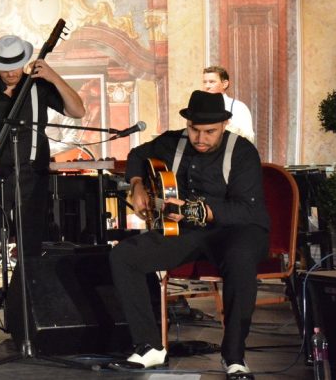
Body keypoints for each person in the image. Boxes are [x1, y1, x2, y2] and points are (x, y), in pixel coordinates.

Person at [109, 90, 268, 380]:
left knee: (240, 259)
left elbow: (246, 209)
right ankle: (149, 347)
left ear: (224, 125)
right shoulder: (172, 142)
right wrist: (137, 184)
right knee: (124, 255)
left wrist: (200, 210)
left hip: (236, 231)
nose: (200, 138)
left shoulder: (243, 151)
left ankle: (234, 356)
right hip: (188, 232)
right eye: (194, 130)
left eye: (210, 132)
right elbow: (137, 155)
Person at [0, 34, 85, 339]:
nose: (11, 72)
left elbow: (78, 111)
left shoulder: (39, 87)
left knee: (29, 247)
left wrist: (53, 76)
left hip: (32, 176)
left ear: (24, 62)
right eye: (5, 66)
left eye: (15, 65)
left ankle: (25, 313)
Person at [202, 66, 255, 142]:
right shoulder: (199, 107)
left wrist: (229, 125)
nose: (207, 86)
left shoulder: (239, 107)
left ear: (225, 84)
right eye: (205, 82)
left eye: (212, 82)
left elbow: (249, 138)